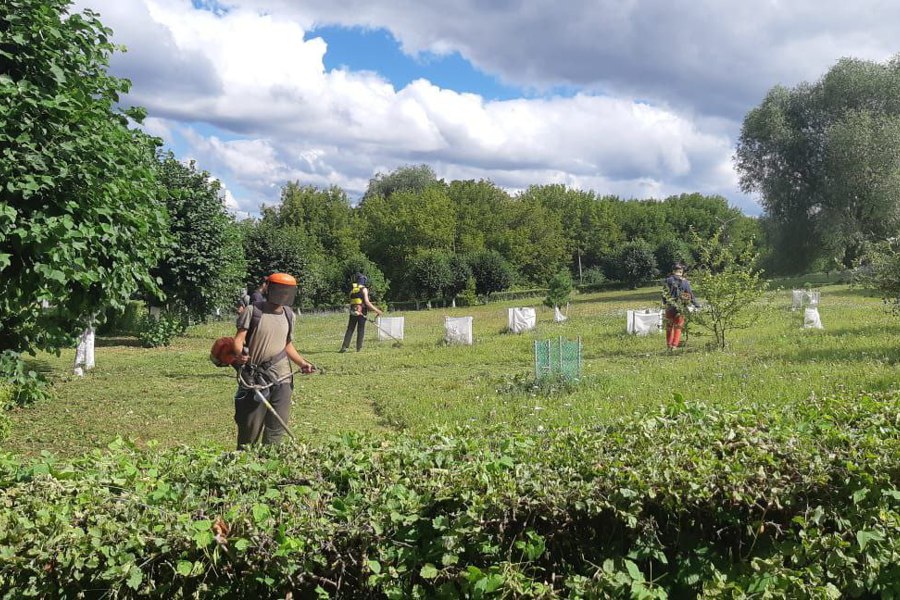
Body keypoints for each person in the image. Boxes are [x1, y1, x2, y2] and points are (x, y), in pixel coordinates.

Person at [232, 272, 315, 448]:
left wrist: (302, 363)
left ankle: (270, 462)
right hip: (255, 379)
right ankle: (245, 465)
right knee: (250, 429)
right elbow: (239, 340)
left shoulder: (289, 315)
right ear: (268, 288)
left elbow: (287, 345)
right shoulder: (253, 311)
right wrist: (240, 354)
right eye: (279, 289)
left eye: (287, 291)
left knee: (277, 426)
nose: (283, 294)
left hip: (282, 377)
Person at [339, 273, 383, 353]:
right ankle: (358, 348)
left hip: (353, 310)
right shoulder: (364, 289)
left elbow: (350, 301)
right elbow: (367, 302)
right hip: (362, 311)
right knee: (361, 329)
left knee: (350, 328)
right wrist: (377, 310)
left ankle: (344, 347)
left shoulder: (352, 290)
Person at [662, 262, 700, 351]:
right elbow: (690, 295)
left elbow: (664, 294)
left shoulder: (668, 280)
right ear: (681, 271)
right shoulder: (685, 282)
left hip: (669, 307)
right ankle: (674, 345)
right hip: (680, 308)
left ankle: (669, 345)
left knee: (669, 327)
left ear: (673, 271)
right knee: (678, 327)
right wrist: (697, 305)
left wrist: (665, 304)